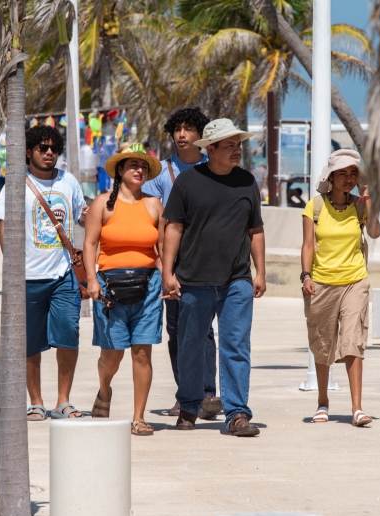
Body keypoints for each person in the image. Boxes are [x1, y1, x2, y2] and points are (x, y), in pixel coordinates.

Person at [161, 118, 266, 437]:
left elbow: (255, 230)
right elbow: (173, 228)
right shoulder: (188, 182)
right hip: (194, 279)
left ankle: (237, 414)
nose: (237, 150)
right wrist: (167, 272)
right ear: (211, 149)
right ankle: (190, 407)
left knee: (236, 345)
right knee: (191, 345)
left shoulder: (247, 181)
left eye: (238, 145)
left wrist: (260, 271)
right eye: (230, 146)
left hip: (237, 280)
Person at [0, 125, 89, 420]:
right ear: (29, 152)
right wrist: (13, 271)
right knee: (30, 342)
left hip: (64, 277)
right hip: (28, 278)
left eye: (53, 148)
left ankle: (63, 400)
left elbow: (83, 217)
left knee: (68, 335)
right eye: (42, 148)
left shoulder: (68, 181)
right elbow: (5, 228)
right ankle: (35, 401)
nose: (49, 153)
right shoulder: (17, 183)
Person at [141, 107, 222, 420]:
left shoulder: (213, 167)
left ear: (201, 135)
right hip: (173, 264)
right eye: (177, 129)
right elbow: (154, 224)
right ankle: (185, 394)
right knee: (177, 332)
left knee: (205, 332)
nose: (181, 135)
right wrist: (164, 268)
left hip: (209, 263)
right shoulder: (160, 173)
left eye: (189, 129)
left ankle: (206, 395)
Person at [83, 144, 164, 436]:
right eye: (132, 165)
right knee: (112, 354)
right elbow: (90, 244)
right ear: (120, 170)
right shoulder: (102, 204)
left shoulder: (154, 204)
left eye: (143, 166)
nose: (139, 170)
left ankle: (139, 417)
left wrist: (168, 276)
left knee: (142, 352)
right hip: (108, 287)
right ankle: (104, 391)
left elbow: (162, 248)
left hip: (148, 284)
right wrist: (92, 279)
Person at [300, 149, 380, 427]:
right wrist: (306, 276)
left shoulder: (360, 204)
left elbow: (374, 232)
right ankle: (323, 401)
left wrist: (368, 195)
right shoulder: (315, 206)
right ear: (331, 177)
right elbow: (308, 245)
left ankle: (357, 408)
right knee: (323, 345)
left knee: (353, 342)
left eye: (353, 174)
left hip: (355, 281)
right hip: (321, 283)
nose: (348, 179)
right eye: (342, 174)